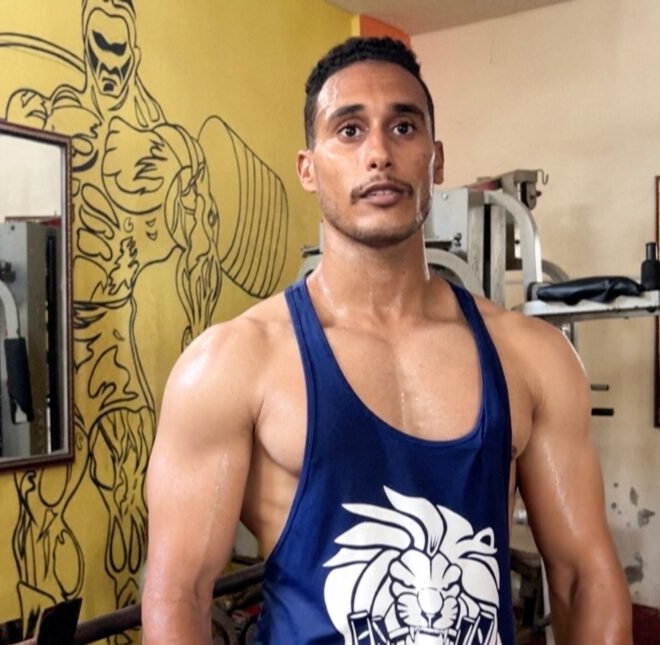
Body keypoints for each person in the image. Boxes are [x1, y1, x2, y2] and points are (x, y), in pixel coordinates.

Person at [142, 37, 632, 644]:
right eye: (349, 130)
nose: (378, 153)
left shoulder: (532, 358)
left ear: (436, 159)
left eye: (403, 127)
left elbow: (584, 577)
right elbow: (178, 594)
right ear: (307, 167)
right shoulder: (233, 364)